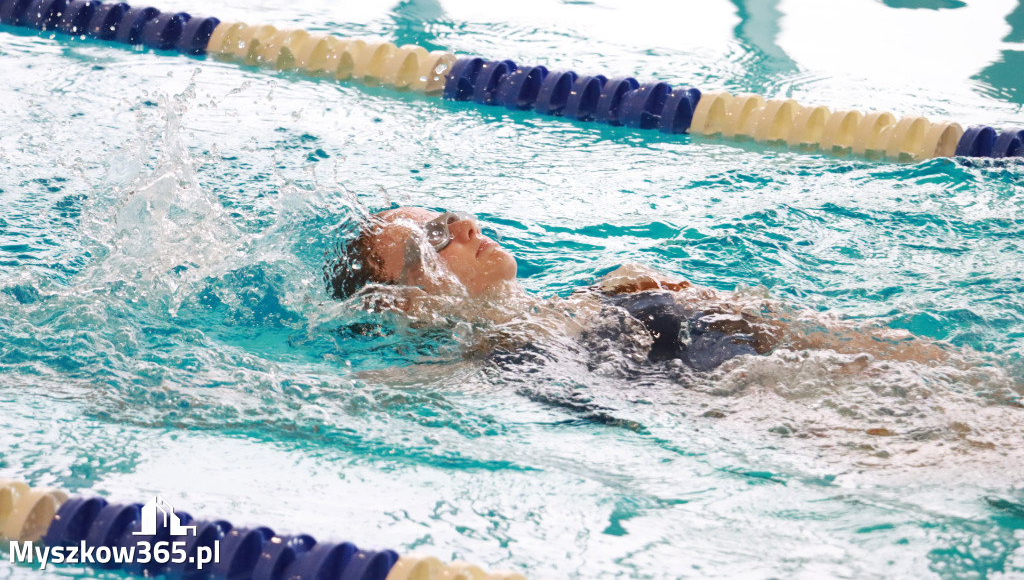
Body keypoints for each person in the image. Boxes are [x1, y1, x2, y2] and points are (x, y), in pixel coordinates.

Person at [325, 207, 947, 371]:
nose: (462, 225)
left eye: (445, 219)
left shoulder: (612, 289)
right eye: (430, 242)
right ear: (405, 303)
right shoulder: (489, 357)